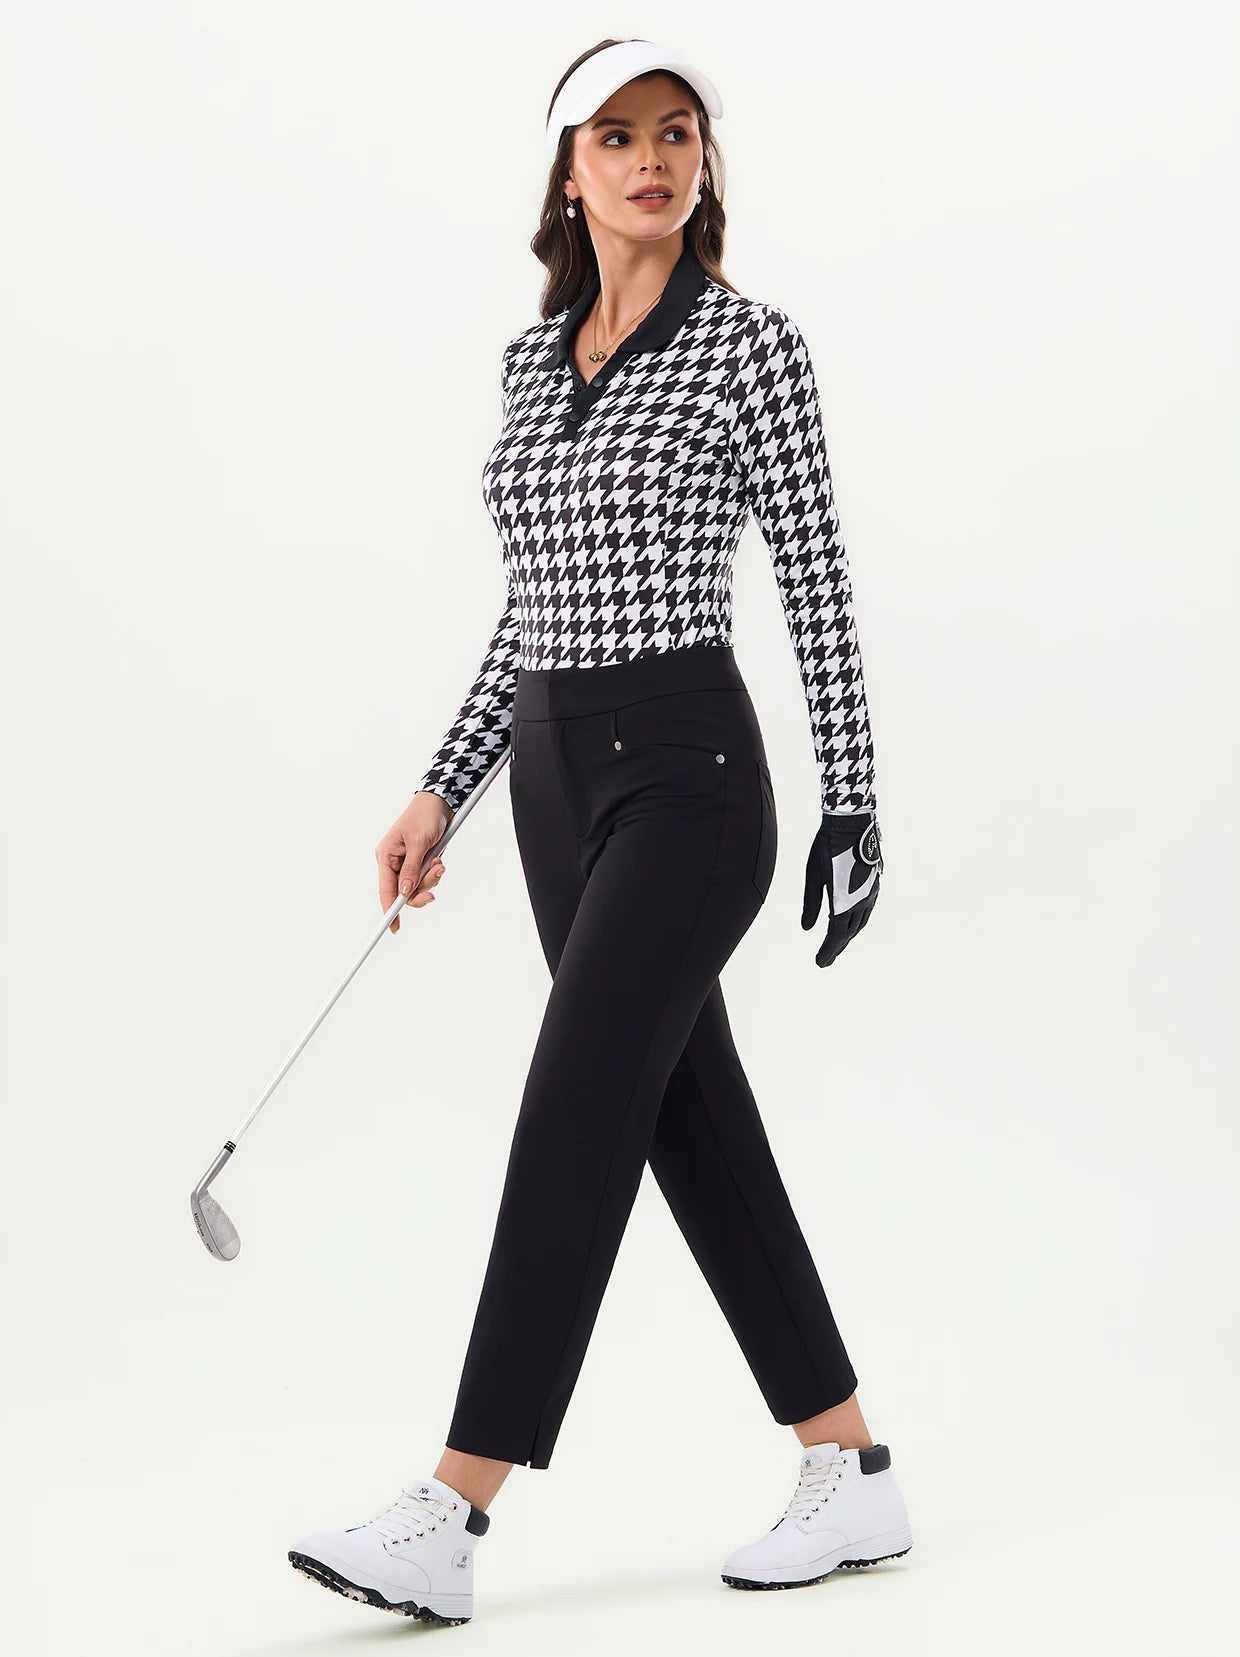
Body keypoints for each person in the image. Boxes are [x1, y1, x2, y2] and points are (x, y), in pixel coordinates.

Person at [288, 37, 912, 1626]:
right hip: (557, 788)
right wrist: (444, 785)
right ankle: (852, 1463)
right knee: (691, 1129)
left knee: (574, 1104)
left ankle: (453, 1505)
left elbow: (816, 577)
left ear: (705, 162)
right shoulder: (531, 360)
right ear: (570, 171)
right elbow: (531, 610)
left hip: (690, 775)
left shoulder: (751, 347)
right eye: (618, 136)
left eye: (678, 133)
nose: (652, 159)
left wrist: (851, 795)